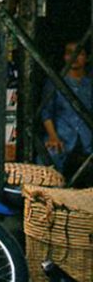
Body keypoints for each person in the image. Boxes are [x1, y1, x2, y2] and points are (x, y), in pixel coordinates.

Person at [42, 41, 93, 180]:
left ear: (87, 58)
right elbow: (46, 112)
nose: (74, 57)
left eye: (79, 53)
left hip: (88, 137)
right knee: (49, 156)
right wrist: (53, 136)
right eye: (70, 53)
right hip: (62, 135)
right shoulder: (55, 81)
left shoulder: (89, 83)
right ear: (64, 56)